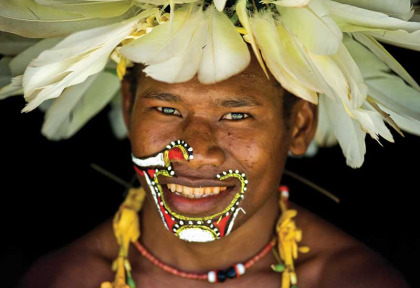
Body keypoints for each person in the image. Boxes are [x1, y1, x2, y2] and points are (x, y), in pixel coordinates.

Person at [0, 0, 419, 287]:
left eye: (237, 115)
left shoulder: (354, 281)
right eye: (166, 109)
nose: (196, 149)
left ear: (299, 127)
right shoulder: (62, 279)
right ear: (129, 106)